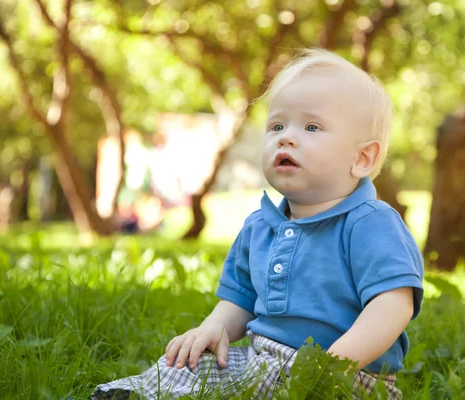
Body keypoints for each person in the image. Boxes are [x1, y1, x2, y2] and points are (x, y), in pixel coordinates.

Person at [92, 48, 424, 399]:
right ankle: (132, 394)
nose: (286, 137)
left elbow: (393, 304)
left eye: (312, 127)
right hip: (262, 359)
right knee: (189, 365)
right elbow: (241, 299)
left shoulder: (370, 223)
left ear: (362, 158)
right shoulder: (260, 226)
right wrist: (214, 328)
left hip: (349, 376)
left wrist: (333, 366)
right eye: (277, 125)